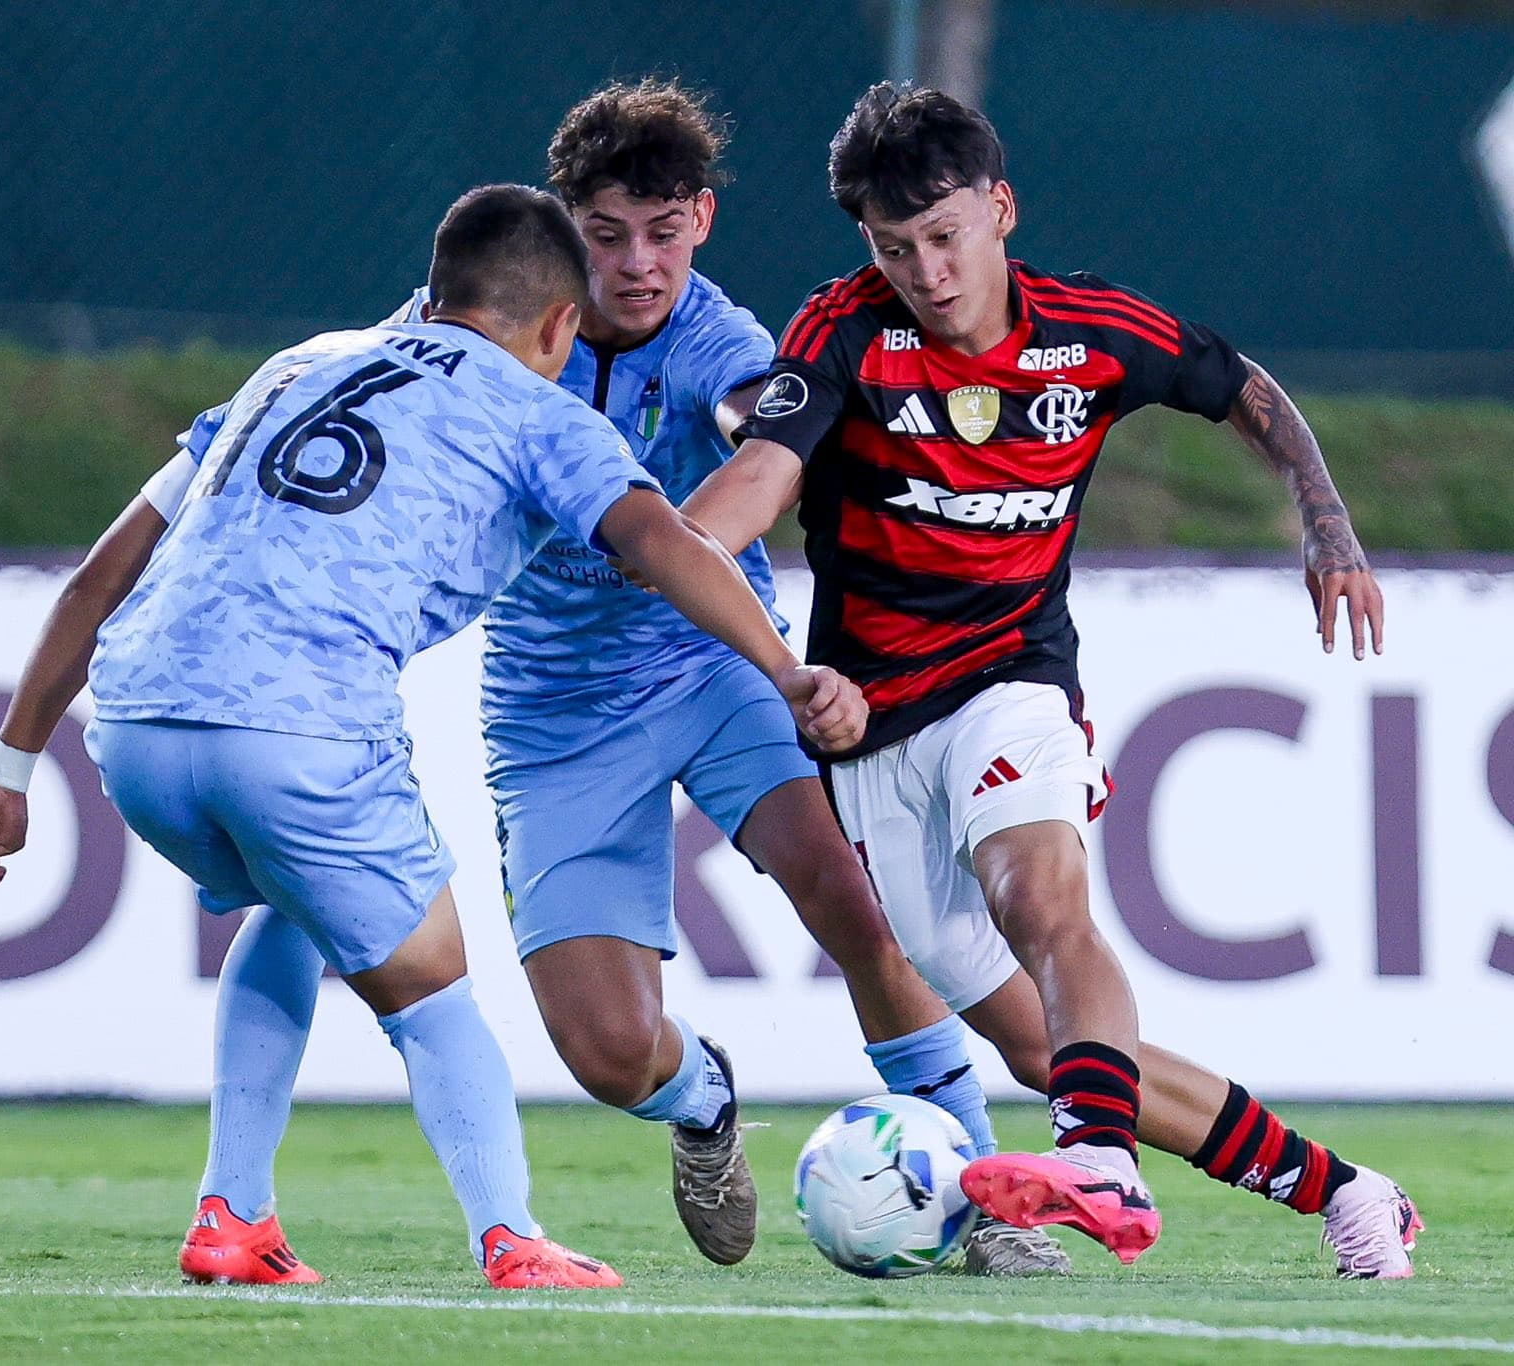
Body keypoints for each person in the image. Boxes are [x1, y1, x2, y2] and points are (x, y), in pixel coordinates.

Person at [154, 79, 1068, 1278]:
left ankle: (982, 1193)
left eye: (663, 230)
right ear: (560, 229)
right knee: (605, 1050)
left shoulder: (725, 346)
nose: (637, 264)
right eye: (605, 234)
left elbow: (767, 422)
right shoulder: (470, 331)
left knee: (856, 902)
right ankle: (701, 1102)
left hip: (718, 671)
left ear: (701, 220)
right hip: (553, 711)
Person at [0, 184, 868, 1290]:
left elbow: (105, 568)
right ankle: (511, 1237)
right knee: (429, 986)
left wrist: (8, 766)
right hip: (294, 726)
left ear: (433, 295)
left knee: (291, 907)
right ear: (560, 326)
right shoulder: (540, 411)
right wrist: (784, 665)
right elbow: (663, 544)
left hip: (134, 722)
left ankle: (232, 1214)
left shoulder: (296, 363)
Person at [682, 82, 1421, 1279]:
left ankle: (1093, 1157)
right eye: (891, 246)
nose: (923, 269)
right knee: (1043, 1047)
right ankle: (1349, 1191)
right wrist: (679, 541)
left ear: (999, 209)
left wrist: (1324, 518)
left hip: (1013, 681)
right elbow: (760, 477)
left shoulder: (1091, 332)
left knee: (1041, 900)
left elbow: (1243, 389)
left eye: (943, 235)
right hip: (870, 730)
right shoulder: (841, 332)